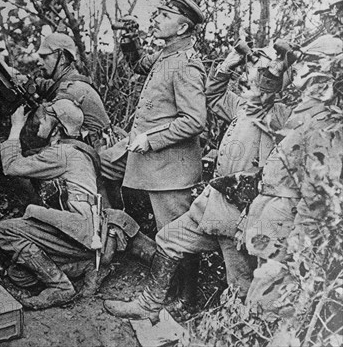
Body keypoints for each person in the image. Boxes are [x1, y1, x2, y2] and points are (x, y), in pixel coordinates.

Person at [104, 40, 299, 322]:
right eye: (255, 65)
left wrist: (275, 68)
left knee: (241, 284)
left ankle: (240, 329)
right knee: (168, 239)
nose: (256, 70)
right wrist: (226, 66)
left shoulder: (278, 113)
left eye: (265, 67)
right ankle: (150, 304)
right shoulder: (244, 106)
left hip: (243, 214)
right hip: (215, 203)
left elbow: (288, 108)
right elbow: (213, 96)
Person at [99, 0, 207, 320]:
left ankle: (186, 300)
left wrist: (152, 140)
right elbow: (137, 66)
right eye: (157, 13)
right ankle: (171, 289)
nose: (156, 19)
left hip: (171, 168)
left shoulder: (186, 65)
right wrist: (129, 40)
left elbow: (195, 120)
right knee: (170, 231)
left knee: (180, 234)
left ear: (183, 27)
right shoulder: (166, 55)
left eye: (164, 16)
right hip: (158, 165)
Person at [242, 36, 343, 318]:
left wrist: (300, 246)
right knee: (262, 292)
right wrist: (278, 65)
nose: (299, 67)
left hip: (291, 218)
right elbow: (258, 101)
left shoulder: (326, 118)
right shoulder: (305, 106)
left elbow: (320, 197)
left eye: (310, 62)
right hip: (272, 211)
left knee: (273, 301)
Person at [0, 100, 109, 310]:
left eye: (46, 118)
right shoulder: (80, 152)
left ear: (57, 128)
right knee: (19, 275)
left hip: (77, 232)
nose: (40, 120)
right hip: (89, 237)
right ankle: (84, 267)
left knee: (4, 231)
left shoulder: (61, 154)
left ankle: (61, 287)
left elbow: (11, 167)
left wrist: (15, 128)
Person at [20, 32, 113, 152]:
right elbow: (47, 86)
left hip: (96, 157)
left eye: (45, 57)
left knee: (28, 155)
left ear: (62, 58)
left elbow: (41, 128)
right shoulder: (71, 81)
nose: (39, 63)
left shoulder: (71, 90)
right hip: (92, 150)